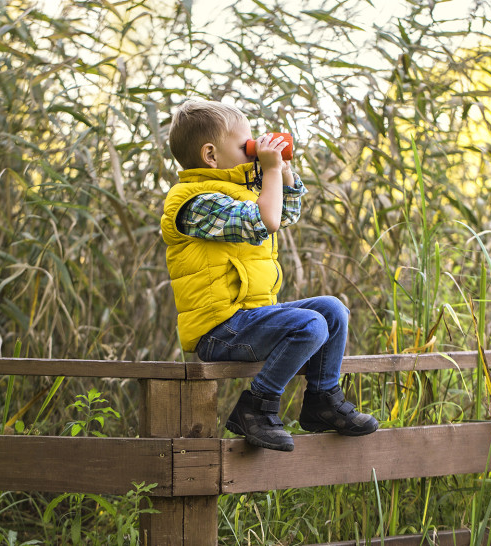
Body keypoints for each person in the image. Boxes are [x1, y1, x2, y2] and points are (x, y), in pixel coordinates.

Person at [160, 99, 378, 451]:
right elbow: (266, 220)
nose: (253, 151)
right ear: (211, 156)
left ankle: (323, 399)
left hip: (247, 318)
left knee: (332, 311)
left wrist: (283, 171)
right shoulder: (193, 202)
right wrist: (271, 171)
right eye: (245, 146)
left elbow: (283, 215)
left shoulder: (239, 192)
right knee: (311, 325)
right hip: (218, 330)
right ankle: (257, 407)